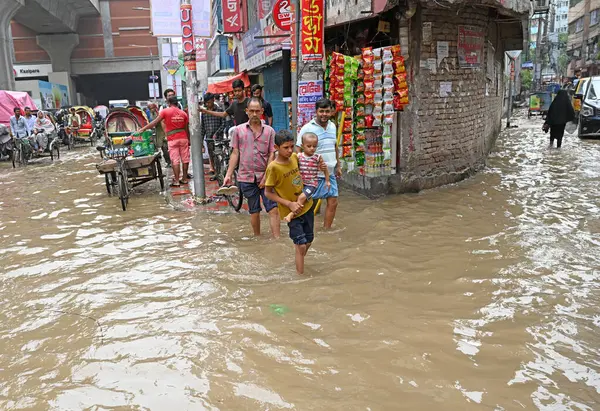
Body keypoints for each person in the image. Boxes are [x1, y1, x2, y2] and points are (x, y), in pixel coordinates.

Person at [222, 98, 280, 237]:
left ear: (262, 112)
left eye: (257, 111)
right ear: (247, 111)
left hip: (266, 176)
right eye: (251, 111)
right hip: (246, 177)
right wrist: (228, 174)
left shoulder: (270, 131)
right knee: (254, 211)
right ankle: (257, 238)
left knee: (273, 209)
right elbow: (235, 153)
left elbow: (272, 153)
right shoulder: (238, 131)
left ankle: (277, 240)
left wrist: (267, 176)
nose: (254, 114)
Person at [265, 130, 315, 275]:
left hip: (306, 206)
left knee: (309, 240)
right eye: (285, 147)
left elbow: (305, 170)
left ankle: (298, 260)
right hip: (291, 213)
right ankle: (301, 277)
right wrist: (288, 204)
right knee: (300, 246)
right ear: (276, 147)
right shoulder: (273, 168)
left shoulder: (294, 157)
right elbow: (268, 193)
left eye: (291, 146)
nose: (289, 150)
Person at [296, 98, 341, 229]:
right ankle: (305, 230)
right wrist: (298, 171)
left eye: (327, 111)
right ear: (316, 111)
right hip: (311, 175)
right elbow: (298, 150)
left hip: (330, 173)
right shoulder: (307, 128)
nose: (324, 114)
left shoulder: (332, 126)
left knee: (333, 202)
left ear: (331, 112)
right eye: (321, 111)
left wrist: (338, 165)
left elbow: (335, 146)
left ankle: (327, 230)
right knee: (306, 204)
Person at [137, 95, 190, 187]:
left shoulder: (165, 111)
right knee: (185, 159)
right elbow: (186, 128)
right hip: (183, 138)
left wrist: (143, 129)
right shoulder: (183, 113)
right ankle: (184, 179)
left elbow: (154, 123)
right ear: (177, 103)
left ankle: (177, 181)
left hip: (172, 139)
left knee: (175, 160)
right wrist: (188, 140)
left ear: (168, 103)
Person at [284, 132, 330, 223]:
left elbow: (325, 169)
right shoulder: (299, 156)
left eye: (314, 146)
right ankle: (299, 217)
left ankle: (291, 214)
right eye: (309, 146)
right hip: (300, 184)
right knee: (299, 200)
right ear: (302, 146)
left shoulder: (317, 157)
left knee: (301, 198)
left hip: (311, 184)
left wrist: (327, 181)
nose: (312, 148)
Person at [200, 92, 225, 179]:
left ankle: (219, 172)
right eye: (206, 103)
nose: (208, 104)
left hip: (218, 138)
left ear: (213, 100)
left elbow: (223, 124)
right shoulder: (204, 113)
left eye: (209, 102)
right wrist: (201, 142)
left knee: (218, 155)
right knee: (211, 155)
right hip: (209, 138)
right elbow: (202, 127)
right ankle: (215, 171)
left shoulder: (219, 110)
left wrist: (217, 133)